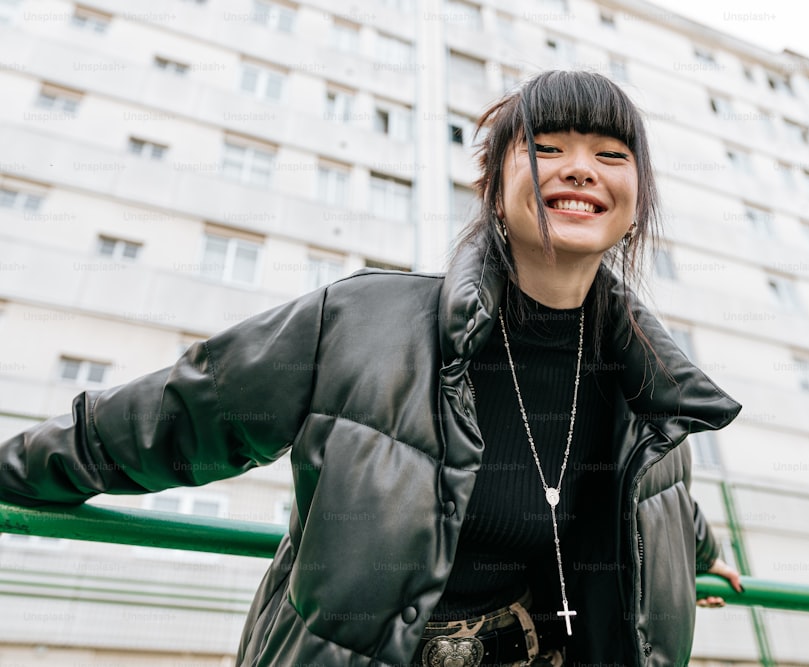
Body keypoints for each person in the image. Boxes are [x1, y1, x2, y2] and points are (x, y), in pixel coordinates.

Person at [0, 70, 742, 666]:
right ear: (493, 185)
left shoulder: (650, 383)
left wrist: (702, 555)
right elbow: (170, 416)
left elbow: (643, 490)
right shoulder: (363, 323)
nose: (582, 169)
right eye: (547, 147)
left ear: (636, 202)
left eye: (612, 155)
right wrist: (12, 467)